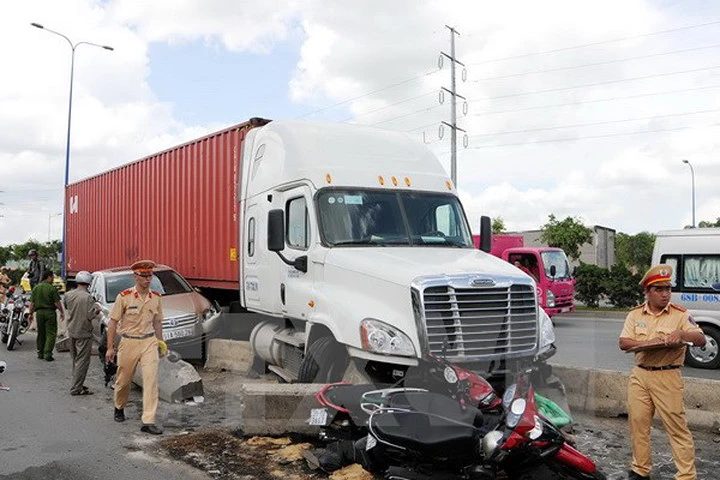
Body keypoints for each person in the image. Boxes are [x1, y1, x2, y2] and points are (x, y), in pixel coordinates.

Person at [618, 264, 707, 480]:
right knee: (638, 424)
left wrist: (681, 334)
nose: (665, 294)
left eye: (668, 289)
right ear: (647, 292)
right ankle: (640, 470)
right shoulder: (635, 314)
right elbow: (623, 342)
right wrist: (651, 342)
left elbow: (701, 338)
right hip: (640, 375)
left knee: (677, 427)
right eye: (659, 289)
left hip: (667, 375)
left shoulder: (680, 315)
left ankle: (686, 475)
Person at [105, 260, 168, 435]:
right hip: (129, 342)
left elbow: (157, 322)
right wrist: (110, 348)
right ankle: (119, 406)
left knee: (151, 380)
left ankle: (148, 420)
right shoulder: (124, 297)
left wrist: (161, 342)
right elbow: (113, 323)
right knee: (123, 380)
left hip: (149, 342)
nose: (148, 279)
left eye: (150, 275)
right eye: (144, 275)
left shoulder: (156, 297)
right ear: (136, 276)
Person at [63, 271, 99, 395]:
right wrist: (97, 311)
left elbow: (68, 308)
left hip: (72, 330)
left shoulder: (68, 295)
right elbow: (90, 315)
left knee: (75, 361)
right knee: (82, 361)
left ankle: (77, 384)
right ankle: (76, 388)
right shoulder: (88, 297)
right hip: (83, 332)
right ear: (88, 283)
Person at [28, 270, 64, 361]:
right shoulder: (51, 288)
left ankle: (40, 353)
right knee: (51, 334)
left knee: (41, 333)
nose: (53, 279)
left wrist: (30, 314)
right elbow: (57, 303)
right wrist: (62, 312)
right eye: (52, 277)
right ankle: (47, 354)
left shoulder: (36, 288)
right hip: (50, 313)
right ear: (48, 277)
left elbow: (32, 303)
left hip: (39, 313)